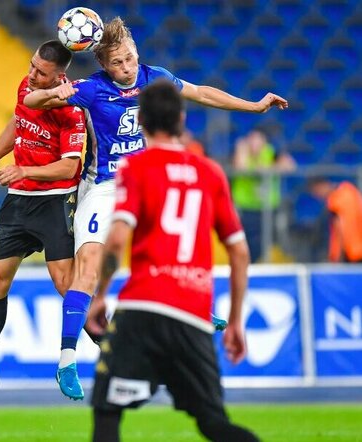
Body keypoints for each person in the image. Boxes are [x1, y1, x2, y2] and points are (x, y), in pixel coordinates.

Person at [23, 16, 288, 397]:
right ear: (103, 65)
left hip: (142, 185)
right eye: (117, 63)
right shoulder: (91, 89)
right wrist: (56, 94)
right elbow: (31, 101)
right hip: (102, 188)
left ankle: (190, 311)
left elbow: (201, 93)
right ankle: (67, 361)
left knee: (173, 248)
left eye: (130, 58)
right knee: (90, 269)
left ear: (136, 52)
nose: (127, 68)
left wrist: (253, 106)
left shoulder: (155, 76)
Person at [89, 80, 258, 442]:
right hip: (193, 314)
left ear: (142, 122)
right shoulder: (210, 173)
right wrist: (236, 321)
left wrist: (100, 295)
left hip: (143, 308)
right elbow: (240, 252)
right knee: (213, 423)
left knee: (107, 412)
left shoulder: (135, 168)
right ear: (182, 119)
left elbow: (117, 238)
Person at [0, 40, 86, 402]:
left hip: (55, 203)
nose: (31, 75)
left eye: (41, 73)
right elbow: (18, 124)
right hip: (19, 203)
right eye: (31, 66)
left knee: (67, 285)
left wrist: (23, 169)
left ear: (59, 76)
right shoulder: (26, 87)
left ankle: (114, 347)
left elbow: (70, 166)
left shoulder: (71, 110)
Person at [231, 128, 296, 262]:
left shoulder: (271, 152)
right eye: (251, 139)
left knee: (266, 242)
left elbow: (290, 165)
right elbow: (240, 167)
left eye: (257, 139)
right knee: (245, 241)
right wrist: (242, 150)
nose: (254, 143)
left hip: (267, 208)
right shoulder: (242, 152)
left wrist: (269, 169)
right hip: (246, 207)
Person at [309, 177, 362, 263]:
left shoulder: (335, 200)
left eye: (316, 192)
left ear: (322, 185)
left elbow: (339, 229)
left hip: (352, 253)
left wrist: (336, 258)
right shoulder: (350, 190)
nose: (318, 196)